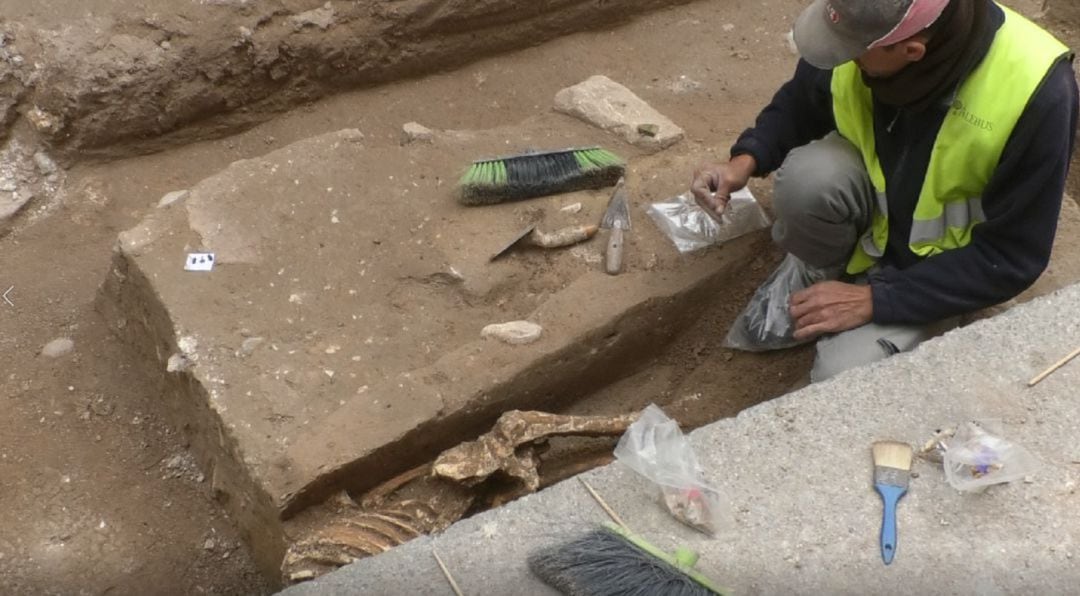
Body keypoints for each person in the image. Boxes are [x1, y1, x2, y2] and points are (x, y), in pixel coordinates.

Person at [691, 0, 1079, 382]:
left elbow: (1011, 257)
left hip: (942, 268)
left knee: (841, 375)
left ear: (912, 51)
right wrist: (744, 160)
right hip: (878, 212)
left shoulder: (1037, 92)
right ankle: (821, 273)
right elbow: (802, 100)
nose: (843, 58)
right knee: (807, 179)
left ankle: (921, 317)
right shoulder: (863, 34)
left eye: (855, 55)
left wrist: (878, 299)